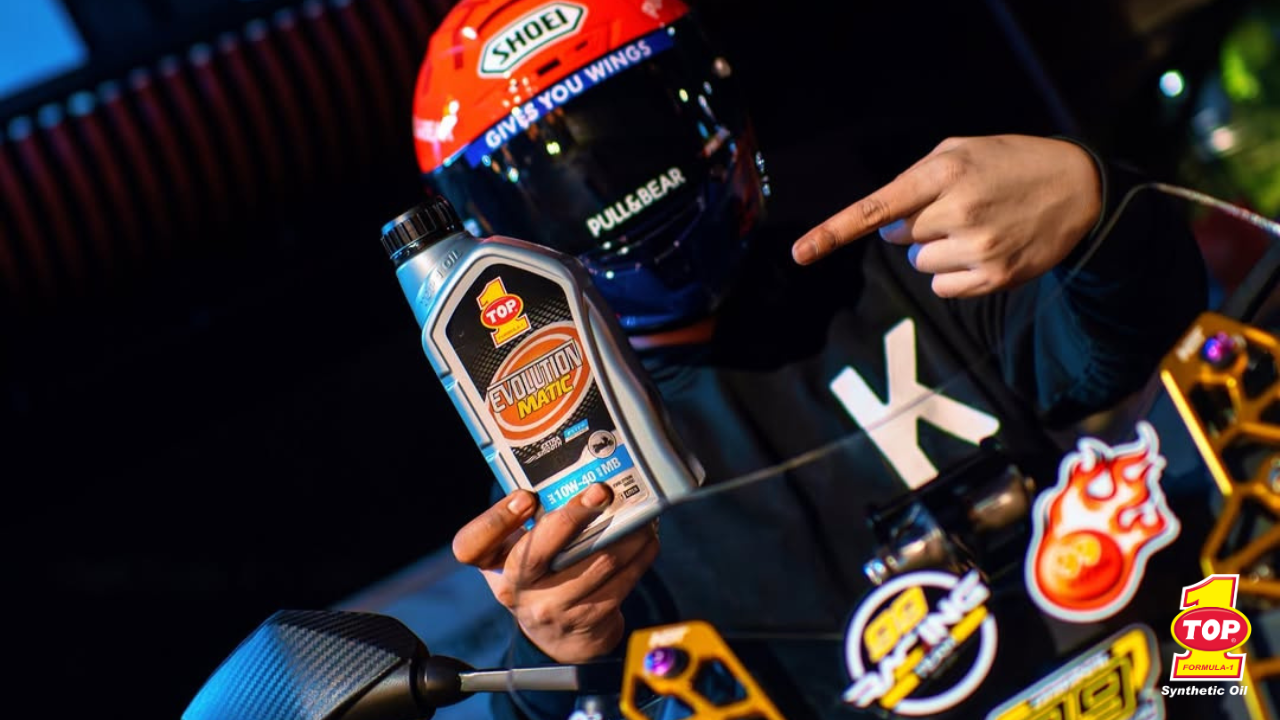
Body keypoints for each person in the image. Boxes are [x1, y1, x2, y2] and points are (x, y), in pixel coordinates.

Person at [410, 0, 1208, 717]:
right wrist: (553, 655)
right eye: (561, 185)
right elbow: (601, 699)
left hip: (1141, 687)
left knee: (1231, 605)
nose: (608, 191)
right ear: (489, 234)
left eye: (634, 141)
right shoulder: (557, 474)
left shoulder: (911, 257)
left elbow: (1136, 334)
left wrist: (1094, 200)